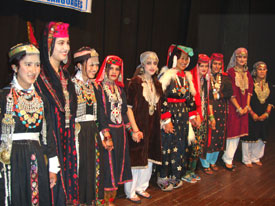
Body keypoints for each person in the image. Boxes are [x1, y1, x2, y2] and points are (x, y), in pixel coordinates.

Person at [0, 43, 59, 206]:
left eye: (37, 65)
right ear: (15, 67)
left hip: (36, 157)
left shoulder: (42, 99)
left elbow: (47, 135)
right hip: (11, 160)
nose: (33, 70)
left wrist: (53, 166)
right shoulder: (4, 97)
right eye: (28, 64)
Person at [35, 22, 78, 205]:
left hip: (66, 137)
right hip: (48, 139)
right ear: (49, 44)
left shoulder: (65, 76)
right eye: (61, 43)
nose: (66, 48)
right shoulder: (38, 76)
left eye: (67, 43)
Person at [72, 47, 111, 205]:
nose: (95, 69)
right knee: (80, 169)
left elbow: (101, 113)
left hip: (93, 132)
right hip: (77, 133)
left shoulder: (96, 87)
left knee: (94, 169)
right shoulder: (70, 85)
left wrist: (106, 136)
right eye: (91, 65)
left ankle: (93, 201)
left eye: (97, 65)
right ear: (80, 65)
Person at [157, 44, 199, 190]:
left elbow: (190, 99)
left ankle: (176, 175)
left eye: (186, 59)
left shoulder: (187, 77)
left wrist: (193, 116)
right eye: (182, 59)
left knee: (180, 146)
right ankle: (163, 177)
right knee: (167, 147)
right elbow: (160, 98)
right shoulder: (167, 75)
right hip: (170, 116)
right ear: (175, 59)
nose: (184, 62)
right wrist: (166, 120)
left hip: (182, 117)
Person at [124, 51, 162, 203]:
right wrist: (134, 128)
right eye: (149, 63)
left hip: (152, 126)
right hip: (139, 125)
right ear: (142, 65)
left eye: (154, 63)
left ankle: (142, 187)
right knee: (136, 158)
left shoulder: (157, 84)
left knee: (149, 158)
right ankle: (131, 190)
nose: (152, 66)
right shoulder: (135, 82)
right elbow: (128, 108)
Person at [95, 55, 133, 206]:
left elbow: (123, 112)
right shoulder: (98, 88)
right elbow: (100, 113)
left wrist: (131, 131)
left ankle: (111, 198)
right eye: (111, 68)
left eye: (117, 69)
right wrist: (105, 134)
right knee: (106, 165)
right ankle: (104, 199)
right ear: (105, 69)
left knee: (117, 164)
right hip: (106, 131)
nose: (114, 72)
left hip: (119, 132)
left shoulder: (120, 89)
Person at [200, 53, 233, 173]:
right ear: (210, 63)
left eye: (219, 64)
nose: (217, 66)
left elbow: (229, 92)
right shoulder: (205, 76)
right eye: (214, 63)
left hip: (221, 110)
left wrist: (219, 95)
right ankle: (205, 163)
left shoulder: (224, 77)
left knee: (218, 135)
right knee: (208, 135)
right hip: (208, 109)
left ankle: (213, 161)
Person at [222, 48, 253, 171]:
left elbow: (250, 91)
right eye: (239, 57)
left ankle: (229, 157)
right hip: (233, 107)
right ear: (235, 58)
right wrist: (239, 107)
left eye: (244, 57)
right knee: (232, 133)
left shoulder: (247, 73)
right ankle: (227, 159)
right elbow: (231, 92)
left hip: (244, 107)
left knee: (239, 133)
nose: (242, 59)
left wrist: (246, 106)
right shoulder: (230, 72)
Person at [187, 54, 215, 178]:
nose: (204, 69)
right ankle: (187, 172)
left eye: (206, 66)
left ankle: (192, 171)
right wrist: (195, 116)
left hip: (202, 118)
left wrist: (211, 117)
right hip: (192, 118)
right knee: (192, 146)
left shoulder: (205, 81)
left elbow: (207, 100)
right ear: (196, 66)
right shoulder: (190, 79)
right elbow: (189, 101)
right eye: (201, 66)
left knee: (198, 146)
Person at [241, 61, 273, 167]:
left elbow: (271, 102)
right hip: (251, 115)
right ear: (255, 71)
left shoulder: (269, 84)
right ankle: (247, 159)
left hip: (264, 116)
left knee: (261, 136)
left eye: (264, 69)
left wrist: (266, 114)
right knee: (249, 136)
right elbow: (246, 100)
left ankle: (256, 157)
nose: (262, 71)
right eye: (260, 69)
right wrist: (252, 113)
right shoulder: (250, 83)